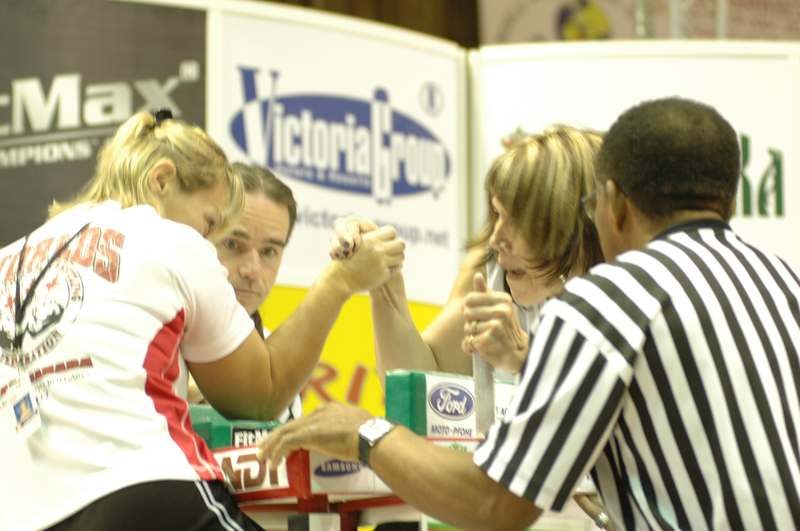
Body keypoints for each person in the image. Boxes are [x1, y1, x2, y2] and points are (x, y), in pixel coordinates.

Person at [257, 97, 800, 530]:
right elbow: (420, 381)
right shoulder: (785, 282)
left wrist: (363, 432)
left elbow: (495, 506)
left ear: (608, 206)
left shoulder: (607, 302)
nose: (497, 239)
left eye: (515, 220)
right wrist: (386, 290)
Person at [0, 111, 404, 531]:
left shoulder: (9, 260)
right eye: (211, 224)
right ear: (161, 180)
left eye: (269, 251)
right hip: (145, 489)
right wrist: (341, 281)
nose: (207, 242)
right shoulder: (168, 237)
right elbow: (259, 396)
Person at [335, 125, 604, 381]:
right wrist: (386, 284)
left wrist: (527, 358)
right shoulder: (489, 268)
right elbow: (425, 379)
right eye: (498, 214)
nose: (497, 238)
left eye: (519, 221)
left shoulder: (627, 293)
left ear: (571, 226)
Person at [189, 162, 303, 420]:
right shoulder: (150, 340)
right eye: (232, 244)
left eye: (269, 252)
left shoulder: (280, 371)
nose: (252, 269)